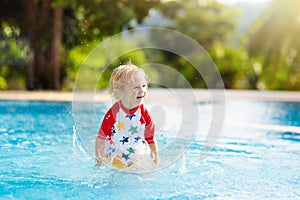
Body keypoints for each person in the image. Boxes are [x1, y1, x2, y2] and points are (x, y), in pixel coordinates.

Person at [95, 63, 159, 169]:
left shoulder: (144, 114)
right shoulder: (115, 112)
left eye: (143, 86)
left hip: (136, 155)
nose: (142, 90)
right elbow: (101, 138)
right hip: (115, 155)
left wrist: (155, 165)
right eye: (136, 87)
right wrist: (99, 162)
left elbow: (151, 140)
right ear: (120, 92)